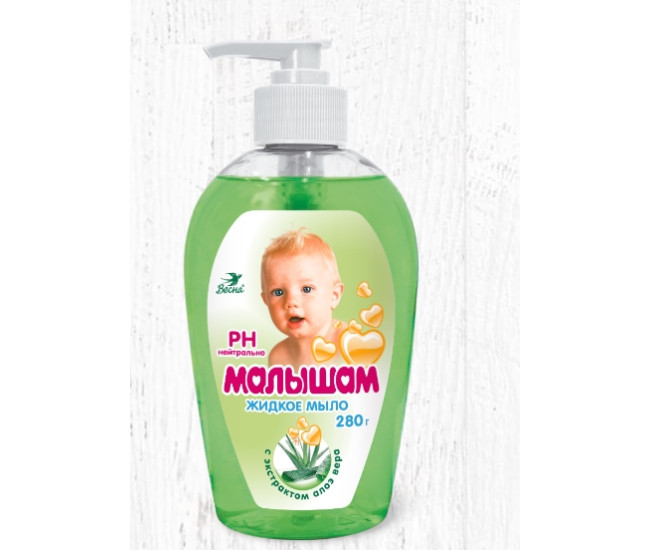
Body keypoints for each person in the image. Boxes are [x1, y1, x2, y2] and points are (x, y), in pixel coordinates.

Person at [261, 229, 346, 367]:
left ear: (334, 296)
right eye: (278, 292)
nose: (290, 302)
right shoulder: (278, 357)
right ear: (266, 300)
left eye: (306, 289)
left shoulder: (349, 343)